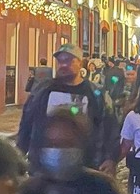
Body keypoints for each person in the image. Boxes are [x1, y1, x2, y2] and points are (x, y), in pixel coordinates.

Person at [17, 43, 119, 174]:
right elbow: (26, 122)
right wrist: (20, 154)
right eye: (60, 61)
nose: (63, 65)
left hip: (86, 167)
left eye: (68, 60)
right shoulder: (42, 91)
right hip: (42, 167)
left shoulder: (96, 94)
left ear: (80, 63)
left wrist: (110, 158)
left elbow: (110, 126)